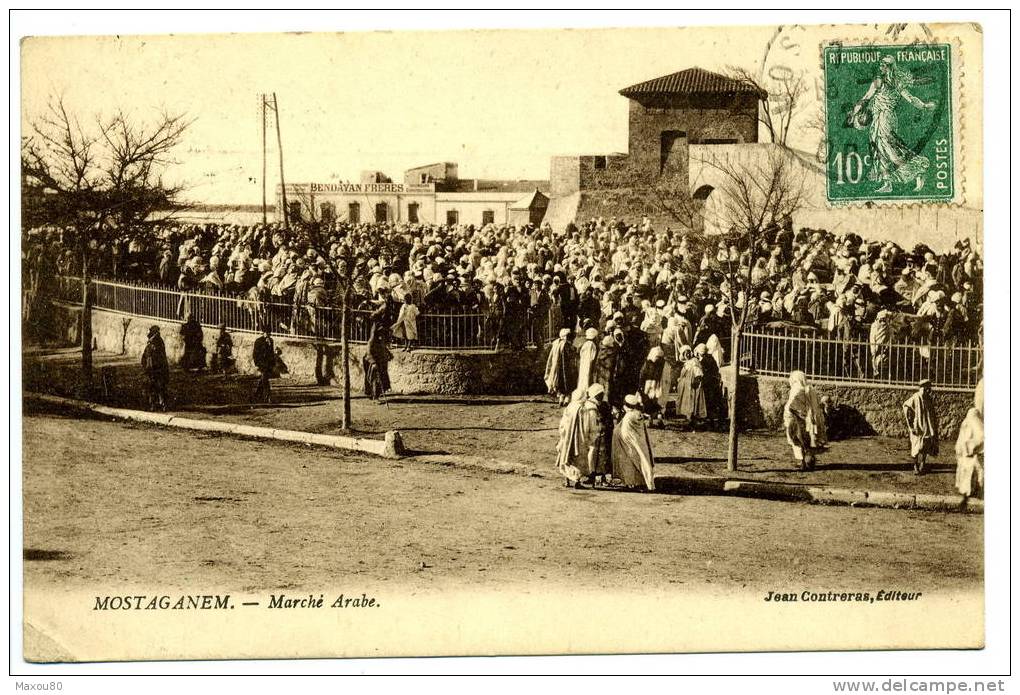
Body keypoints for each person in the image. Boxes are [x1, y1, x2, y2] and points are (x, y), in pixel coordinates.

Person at [555, 384, 604, 489]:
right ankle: (577, 481)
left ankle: (567, 480)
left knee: (566, 456)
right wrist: (588, 437)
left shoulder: (569, 407)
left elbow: (562, 424)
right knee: (578, 460)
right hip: (579, 439)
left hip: (567, 438)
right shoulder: (583, 409)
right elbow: (587, 425)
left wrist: (563, 435)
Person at [783, 370, 828, 470]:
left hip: (798, 419)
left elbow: (792, 406)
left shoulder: (796, 389)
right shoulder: (810, 389)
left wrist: (790, 414)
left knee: (798, 440)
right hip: (810, 421)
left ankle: (802, 462)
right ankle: (809, 461)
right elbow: (815, 406)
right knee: (809, 441)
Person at [611, 393, 656, 491]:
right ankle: (642, 482)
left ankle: (631, 483)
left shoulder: (629, 416)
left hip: (627, 443)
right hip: (639, 442)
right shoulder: (638, 414)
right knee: (641, 460)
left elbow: (624, 431)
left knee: (630, 463)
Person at [901, 378, 940, 475]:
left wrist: (933, 426)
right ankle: (915, 465)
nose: (927, 390)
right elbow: (906, 406)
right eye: (925, 388)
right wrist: (910, 425)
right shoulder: (915, 397)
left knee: (925, 446)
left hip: (927, 427)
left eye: (928, 388)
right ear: (921, 388)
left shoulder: (928, 399)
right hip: (917, 427)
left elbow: (932, 413)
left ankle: (922, 463)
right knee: (916, 447)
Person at [954, 379, 984, 504]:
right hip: (970, 451)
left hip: (970, 450)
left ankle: (969, 495)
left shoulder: (974, 415)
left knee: (973, 472)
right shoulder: (974, 415)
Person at [544, 328, 577, 406]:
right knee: (567, 382)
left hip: (557, 367)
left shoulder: (556, 343)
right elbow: (571, 354)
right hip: (566, 367)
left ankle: (561, 398)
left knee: (559, 381)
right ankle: (566, 398)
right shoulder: (566, 345)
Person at [675, 345, 706, 427]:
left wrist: (697, 381)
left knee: (693, 400)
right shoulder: (686, 364)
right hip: (686, 386)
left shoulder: (694, 361)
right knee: (687, 401)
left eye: (688, 353)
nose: (688, 355)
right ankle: (688, 417)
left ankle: (694, 417)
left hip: (693, 384)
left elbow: (698, 373)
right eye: (685, 354)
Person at [140, 325, 169, 410]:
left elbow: (147, 357)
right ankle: (158, 404)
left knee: (155, 386)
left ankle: (157, 404)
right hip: (155, 368)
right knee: (156, 387)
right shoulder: (156, 342)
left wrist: (146, 365)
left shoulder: (155, 343)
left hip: (155, 368)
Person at [363, 323, 393, 400]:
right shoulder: (371, 341)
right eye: (380, 332)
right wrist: (373, 362)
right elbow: (368, 353)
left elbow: (383, 348)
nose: (381, 334)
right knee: (375, 379)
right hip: (370, 361)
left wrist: (389, 354)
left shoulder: (381, 340)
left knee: (381, 378)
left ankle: (377, 394)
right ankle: (374, 396)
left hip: (380, 361)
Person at [251, 327, 275, 403]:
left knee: (263, 379)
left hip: (268, 364)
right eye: (266, 333)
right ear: (263, 333)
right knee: (265, 379)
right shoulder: (258, 341)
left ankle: (257, 395)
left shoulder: (271, 341)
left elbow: (271, 353)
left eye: (269, 333)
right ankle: (268, 396)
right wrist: (257, 363)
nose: (268, 335)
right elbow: (255, 354)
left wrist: (272, 363)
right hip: (261, 363)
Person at [574, 327, 599, 395]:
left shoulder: (585, 344)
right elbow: (590, 359)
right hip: (587, 367)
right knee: (586, 381)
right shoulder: (591, 345)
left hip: (583, 366)